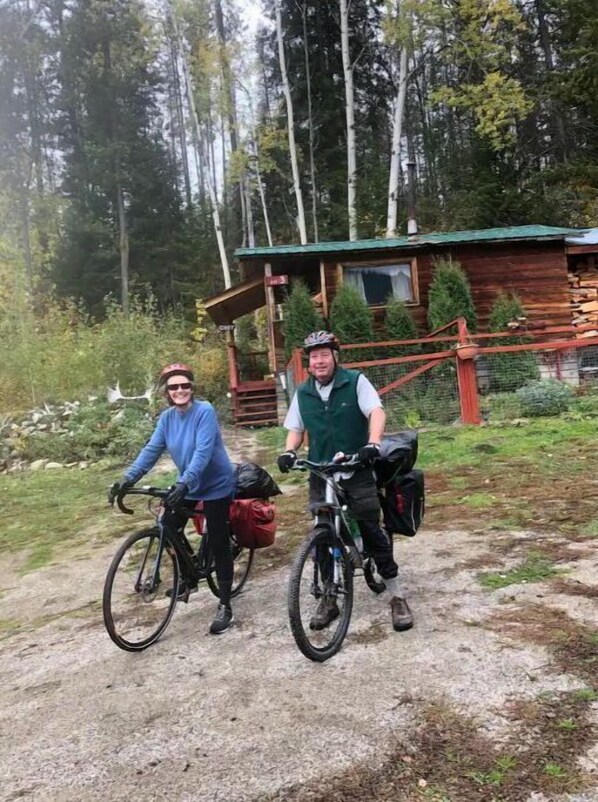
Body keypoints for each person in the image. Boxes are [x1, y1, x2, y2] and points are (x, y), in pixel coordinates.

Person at [277, 331, 413, 632]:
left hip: (355, 468)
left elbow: (376, 412)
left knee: (371, 530)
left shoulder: (355, 381)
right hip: (321, 472)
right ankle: (329, 597)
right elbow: (296, 429)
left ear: (335, 357)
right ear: (309, 362)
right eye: (314, 356)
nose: (319, 361)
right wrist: (289, 451)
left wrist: (373, 443)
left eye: (324, 355)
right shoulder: (303, 392)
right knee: (322, 535)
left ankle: (397, 596)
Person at [108, 363, 236, 635]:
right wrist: (127, 479)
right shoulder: (167, 418)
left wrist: (184, 482)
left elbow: (203, 452)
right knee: (167, 524)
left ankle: (225, 603)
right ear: (166, 392)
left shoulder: (205, 411)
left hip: (215, 484)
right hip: (188, 483)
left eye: (184, 385)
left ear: (192, 388)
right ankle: (189, 577)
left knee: (218, 540)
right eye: (173, 387)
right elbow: (152, 449)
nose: (180, 390)